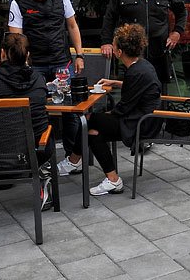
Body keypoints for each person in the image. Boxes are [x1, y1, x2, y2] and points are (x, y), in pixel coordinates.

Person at [57, 24, 162, 196]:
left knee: (90, 119)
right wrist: (115, 82)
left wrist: (105, 115)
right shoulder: (142, 65)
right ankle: (113, 180)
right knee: (92, 132)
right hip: (144, 117)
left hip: (142, 122)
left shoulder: (135, 72)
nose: (112, 48)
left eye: (114, 45)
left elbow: (123, 108)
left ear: (119, 52)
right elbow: (138, 88)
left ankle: (74, 161)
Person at [9, 0, 86, 156]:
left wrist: (80, 54)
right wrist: (21, 65)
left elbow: (72, 26)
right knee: (37, 111)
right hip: (35, 65)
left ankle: (72, 156)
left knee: (70, 110)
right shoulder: (18, 3)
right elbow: (16, 39)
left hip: (62, 62)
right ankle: (41, 155)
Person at [0, 33, 53, 209]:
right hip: (38, 149)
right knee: (45, 127)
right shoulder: (39, 78)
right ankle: (43, 174)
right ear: (27, 55)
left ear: (3, 53)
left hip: (1, 150)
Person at [100, 0, 186, 85]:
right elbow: (110, 16)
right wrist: (106, 42)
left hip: (158, 53)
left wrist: (177, 32)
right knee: (130, 89)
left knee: (155, 91)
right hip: (129, 53)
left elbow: (181, 12)